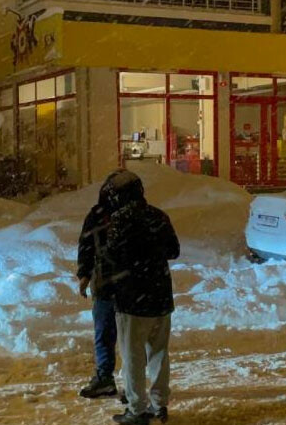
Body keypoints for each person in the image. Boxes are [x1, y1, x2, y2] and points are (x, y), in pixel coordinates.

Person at [105, 170, 179, 425]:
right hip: (160, 295)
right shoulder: (158, 216)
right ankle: (160, 405)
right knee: (159, 353)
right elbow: (174, 250)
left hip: (132, 299)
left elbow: (111, 258)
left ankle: (136, 410)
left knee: (133, 356)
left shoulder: (119, 220)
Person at [76, 170, 125, 399]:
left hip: (106, 282)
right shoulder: (131, 214)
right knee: (127, 335)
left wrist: (85, 274)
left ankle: (107, 378)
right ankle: (132, 382)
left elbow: (86, 244)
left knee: (106, 332)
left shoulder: (98, 214)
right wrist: (84, 273)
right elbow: (87, 244)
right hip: (126, 284)